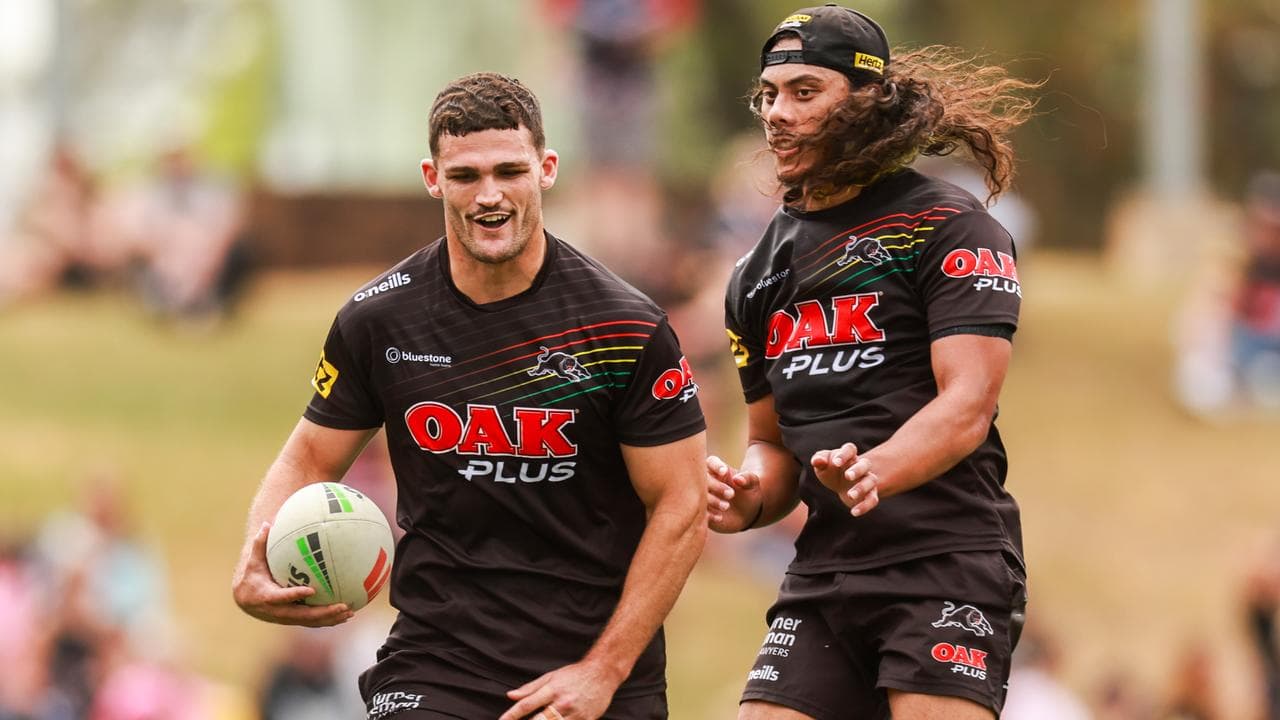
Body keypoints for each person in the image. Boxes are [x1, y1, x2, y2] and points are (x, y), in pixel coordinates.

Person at [231, 72, 708, 720]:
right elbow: (311, 458)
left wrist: (603, 670)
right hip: (438, 662)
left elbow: (681, 504)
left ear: (546, 168)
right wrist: (256, 555)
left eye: (510, 171)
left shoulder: (626, 327)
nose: (490, 196)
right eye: (465, 176)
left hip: (595, 666)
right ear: (433, 177)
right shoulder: (379, 320)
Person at [705, 5, 1038, 718]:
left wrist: (872, 471)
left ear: (865, 99)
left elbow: (968, 403)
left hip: (943, 562)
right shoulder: (755, 275)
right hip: (825, 569)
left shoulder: (951, 226)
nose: (777, 114)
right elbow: (769, 443)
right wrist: (748, 497)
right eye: (769, 94)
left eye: (804, 92)